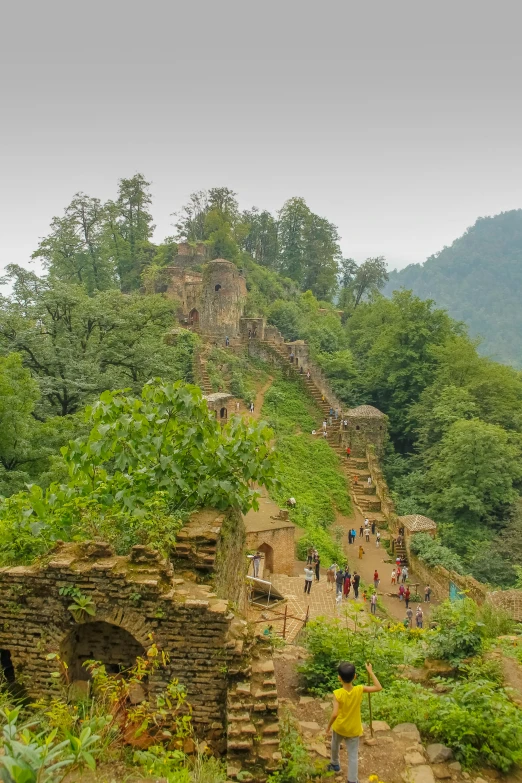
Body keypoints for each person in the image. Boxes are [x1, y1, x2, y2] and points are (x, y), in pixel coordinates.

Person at [326, 662, 383, 781]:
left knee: (334, 745)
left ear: (339, 678)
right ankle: (352, 780)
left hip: (340, 727)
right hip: (353, 729)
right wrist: (370, 672)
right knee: (353, 756)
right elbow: (378, 687)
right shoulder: (359, 689)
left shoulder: (337, 694)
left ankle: (335, 764)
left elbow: (335, 714)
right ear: (355, 676)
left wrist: (328, 727)